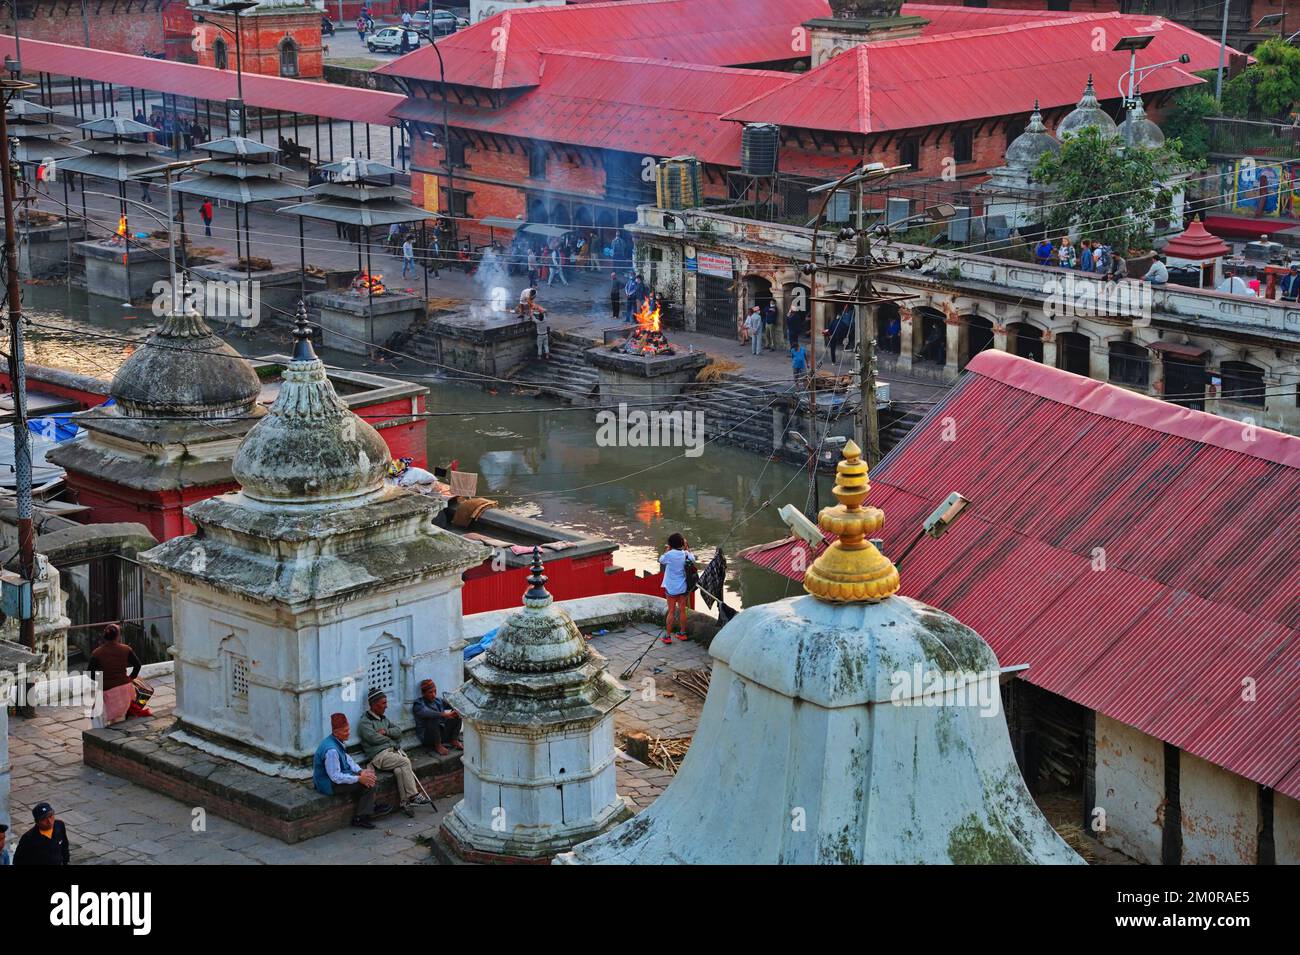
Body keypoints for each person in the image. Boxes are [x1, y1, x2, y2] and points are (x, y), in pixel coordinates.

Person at [313, 713, 390, 830]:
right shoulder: (331, 751)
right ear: (336, 732)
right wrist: (359, 779)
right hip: (328, 784)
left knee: (368, 776)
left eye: (348, 729)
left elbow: (347, 758)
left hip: (337, 777)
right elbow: (335, 777)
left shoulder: (337, 741)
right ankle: (361, 817)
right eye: (345, 731)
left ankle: (370, 806)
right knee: (367, 784)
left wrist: (360, 771)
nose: (348, 733)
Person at [359, 689, 428, 817]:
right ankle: (413, 795)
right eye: (383, 703)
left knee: (399, 771)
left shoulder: (384, 719)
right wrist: (391, 739)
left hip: (391, 752)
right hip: (379, 757)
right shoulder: (365, 722)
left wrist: (386, 732)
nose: (386, 706)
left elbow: (398, 732)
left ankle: (404, 803)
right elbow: (373, 738)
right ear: (374, 705)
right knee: (405, 761)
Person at [88, 623, 142, 727]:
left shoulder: (97, 653)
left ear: (104, 636)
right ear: (118, 636)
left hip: (107, 689)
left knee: (95, 714)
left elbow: (90, 673)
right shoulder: (126, 649)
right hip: (126, 688)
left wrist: (102, 681)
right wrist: (130, 678)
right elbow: (137, 665)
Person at [658, 533, 695, 644]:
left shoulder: (669, 554)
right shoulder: (686, 554)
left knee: (671, 611)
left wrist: (667, 550)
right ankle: (682, 633)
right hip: (683, 587)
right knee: (682, 610)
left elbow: (661, 560)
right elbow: (693, 559)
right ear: (682, 544)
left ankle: (668, 636)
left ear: (670, 544)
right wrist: (687, 548)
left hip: (671, 588)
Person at [412, 679, 462, 755]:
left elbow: (452, 704)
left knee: (457, 712)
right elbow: (428, 713)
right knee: (433, 718)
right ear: (423, 693)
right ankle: (438, 746)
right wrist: (445, 714)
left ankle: (454, 739)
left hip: (441, 732)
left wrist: (458, 705)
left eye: (435, 691)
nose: (434, 695)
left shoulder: (438, 700)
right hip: (428, 737)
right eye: (430, 692)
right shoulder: (418, 704)